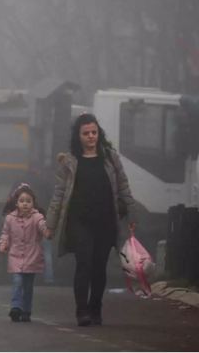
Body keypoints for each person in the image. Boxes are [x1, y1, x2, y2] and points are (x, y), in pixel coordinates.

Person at [45, 113, 137, 327]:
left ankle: (96, 308)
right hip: (79, 221)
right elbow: (58, 195)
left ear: (99, 133)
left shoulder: (110, 158)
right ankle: (82, 311)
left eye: (94, 132)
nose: (91, 137)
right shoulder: (69, 162)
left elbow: (124, 186)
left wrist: (132, 214)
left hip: (105, 221)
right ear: (78, 136)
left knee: (99, 266)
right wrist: (50, 225)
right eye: (86, 133)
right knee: (84, 263)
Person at [0, 183, 49, 323]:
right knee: (17, 281)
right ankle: (15, 307)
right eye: (22, 201)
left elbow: (43, 226)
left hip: (32, 257)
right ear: (16, 203)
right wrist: (3, 244)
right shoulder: (10, 219)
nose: (25, 204)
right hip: (15, 257)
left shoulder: (37, 217)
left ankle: (26, 311)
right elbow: (5, 234)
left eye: (28, 201)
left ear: (33, 203)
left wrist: (47, 231)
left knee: (28, 287)